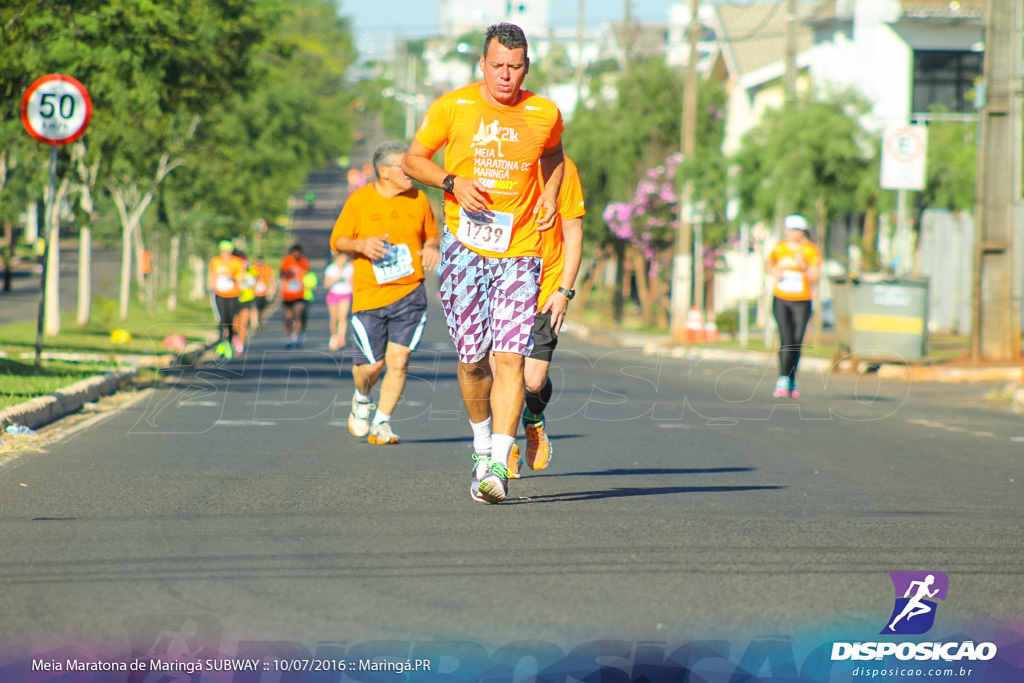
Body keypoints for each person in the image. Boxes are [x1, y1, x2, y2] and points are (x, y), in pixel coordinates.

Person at [403, 22, 565, 503]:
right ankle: (479, 447)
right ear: (482, 64)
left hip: (519, 252)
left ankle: (497, 462)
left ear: (526, 67)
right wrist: (451, 183)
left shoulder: (545, 113)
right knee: (473, 361)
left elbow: (553, 155)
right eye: (497, 66)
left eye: (515, 68)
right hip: (464, 248)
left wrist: (550, 194)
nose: (506, 76)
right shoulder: (453, 106)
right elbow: (414, 160)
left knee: (510, 356)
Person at [330, 140, 439, 446]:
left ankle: (382, 422)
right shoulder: (360, 201)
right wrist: (361, 245)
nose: (413, 173)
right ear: (385, 171)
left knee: (399, 360)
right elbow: (338, 240)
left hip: (410, 292)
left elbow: (431, 235)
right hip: (370, 295)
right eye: (406, 167)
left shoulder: (418, 199)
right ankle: (362, 398)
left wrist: (431, 248)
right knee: (371, 366)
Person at [519, 155, 585, 474]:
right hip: (501, 286)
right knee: (498, 373)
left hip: (545, 289)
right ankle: (499, 447)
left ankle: (533, 420)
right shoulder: (496, 163)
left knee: (533, 381)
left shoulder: (564, 169)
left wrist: (565, 291)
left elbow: (573, 231)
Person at [767, 214, 821, 398]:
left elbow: (815, 278)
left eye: (798, 230)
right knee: (786, 338)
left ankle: (792, 379)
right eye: (791, 230)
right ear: (786, 230)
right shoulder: (778, 249)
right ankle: (782, 378)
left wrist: (803, 267)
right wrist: (776, 272)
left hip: (802, 300)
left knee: (797, 341)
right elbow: (769, 267)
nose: (794, 233)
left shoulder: (810, 251)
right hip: (781, 299)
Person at [207, 240, 247, 359]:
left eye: (227, 252)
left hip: (233, 294)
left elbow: (242, 277)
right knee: (221, 319)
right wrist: (210, 284)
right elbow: (212, 274)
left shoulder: (237, 262)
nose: (225, 254)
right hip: (219, 294)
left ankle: (229, 343)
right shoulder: (216, 261)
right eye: (223, 252)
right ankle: (220, 344)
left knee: (230, 320)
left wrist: (233, 277)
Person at [280, 244, 310, 348]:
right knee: (288, 317)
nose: (296, 254)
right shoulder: (287, 261)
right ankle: (287, 336)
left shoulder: (304, 261)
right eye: (294, 252)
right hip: (288, 294)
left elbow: (308, 274)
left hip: (300, 294)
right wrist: (289, 272)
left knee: (298, 314)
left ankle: (296, 336)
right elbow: (281, 273)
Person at [324, 252, 355, 350]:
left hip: (345, 294)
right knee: (334, 318)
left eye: (345, 257)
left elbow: (354, 282)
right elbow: (326, 285)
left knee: (342, 317)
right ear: (336, 258)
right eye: (341, 257)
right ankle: (334, 336)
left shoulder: (350, 268)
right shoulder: (331, 268)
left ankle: (341, 338)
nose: (343, 260)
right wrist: (336, 279)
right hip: (333, 294)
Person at [251, 256, 276, 328]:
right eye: (258, 261)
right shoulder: (253, 269)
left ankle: (260, 319)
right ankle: (255, 324)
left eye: (260, 261)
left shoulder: (267, 269)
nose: (259, 262)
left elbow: (271, 279)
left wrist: (272, 289)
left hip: (264, 291)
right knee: (254, 307)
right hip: (255, 291)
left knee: (262, 308)